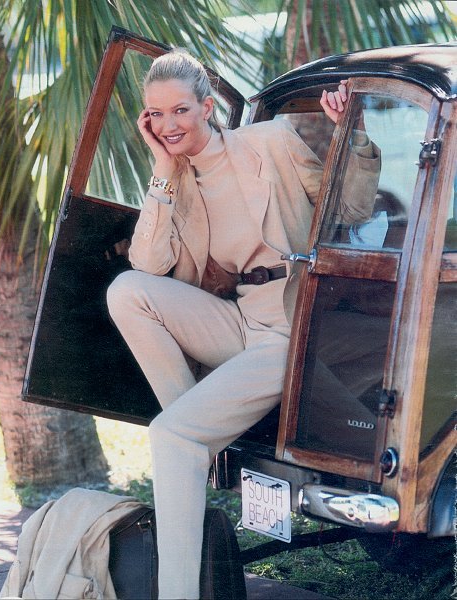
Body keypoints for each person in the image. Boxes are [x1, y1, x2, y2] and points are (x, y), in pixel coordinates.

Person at [107, 49, 380, 599]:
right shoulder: (177, 180)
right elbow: (149, 264)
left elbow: (351, 212)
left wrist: (352, 135)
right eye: (156, 114)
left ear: (208, 108)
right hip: (238, 319)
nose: (169, 125)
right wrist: (162, 169)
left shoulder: (271, 141)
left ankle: (188, 453)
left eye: (180, 110)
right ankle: (197, 436)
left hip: (292, 325)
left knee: (170, 435)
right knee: (127, 291)